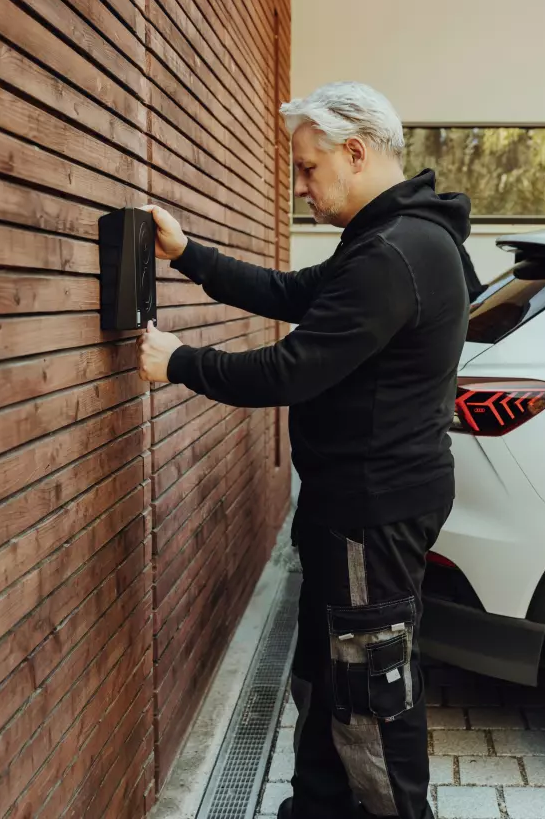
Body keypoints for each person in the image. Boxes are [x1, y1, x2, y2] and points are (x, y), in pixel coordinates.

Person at [137, 82, 482, 819]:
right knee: (333, 675)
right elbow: (294, 293)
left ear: (355, 153)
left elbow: (291, 370)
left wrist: (178, 362)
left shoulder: (396, 251)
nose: (299, 187)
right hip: (362, 502)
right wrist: (187, 254)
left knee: (369, 690)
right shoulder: (395, 238)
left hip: (370, 508)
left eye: (307, 169)